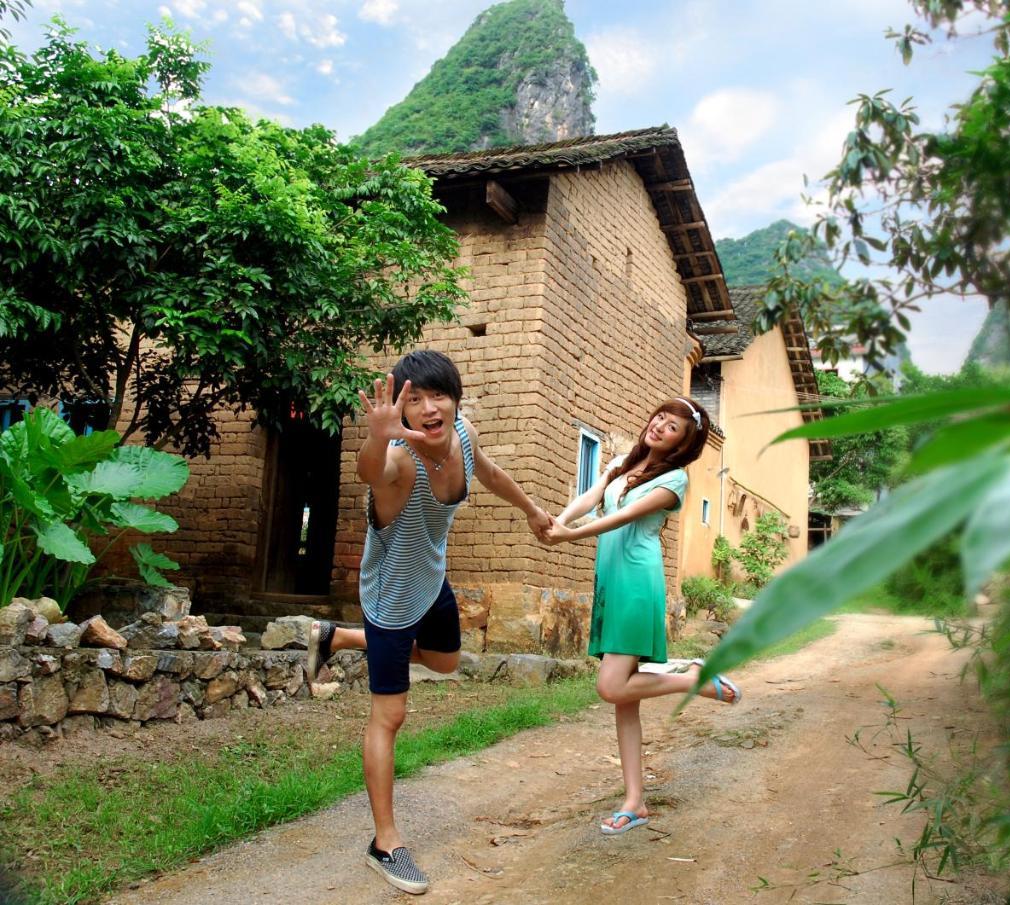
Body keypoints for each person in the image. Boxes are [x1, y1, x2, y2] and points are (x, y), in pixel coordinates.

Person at [305, 350, 552, 895]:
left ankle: (340, 639)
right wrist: (376, 436)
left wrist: (532, 509)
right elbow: (373, 472)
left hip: (433, 578)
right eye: (412, 399)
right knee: (389, 715)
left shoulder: (462, 432)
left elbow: (487, 472)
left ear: (455, 397)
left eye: (436, 393)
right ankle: (385, 842)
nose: (428, 407)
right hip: (392, 595)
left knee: (447, 661)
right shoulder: (398, 460)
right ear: (403, 412)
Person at [540, 396, 742, 835]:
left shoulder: (675, 481)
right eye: (660, 419)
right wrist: (557, 520)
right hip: (611, 582)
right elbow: (592, 498)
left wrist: (566, 537)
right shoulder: (621, 464)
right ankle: (635, 801)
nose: (660, 427)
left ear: (682, 445)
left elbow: (622, 518)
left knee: (612, 687)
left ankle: (695, 681)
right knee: (625, 699)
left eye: (672, 428)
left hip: (636, 585)